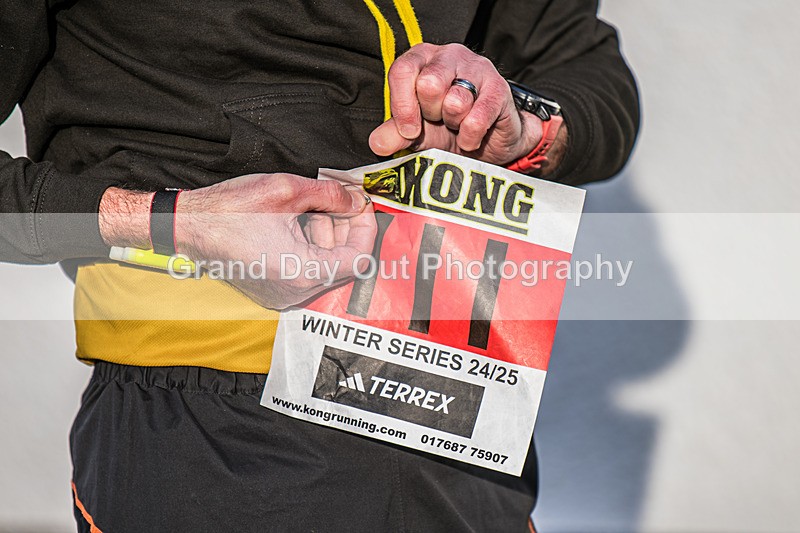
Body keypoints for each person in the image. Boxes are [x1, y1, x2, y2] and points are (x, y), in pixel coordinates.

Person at [0, 1, 639, 531]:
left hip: (463, 410)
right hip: (211, 417)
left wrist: (516, 121)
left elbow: (586, 68)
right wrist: (169, 220)